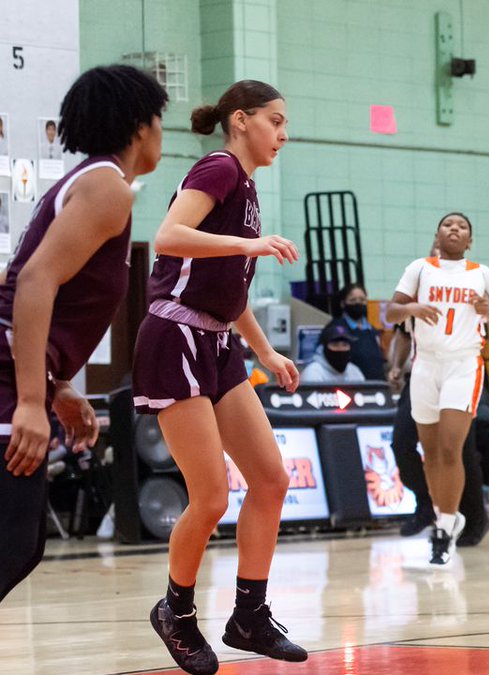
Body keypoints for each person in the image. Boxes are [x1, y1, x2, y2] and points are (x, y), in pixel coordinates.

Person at [134, 80, 307, 674]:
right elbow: (169, 236)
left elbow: (228, 292)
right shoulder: (218, 167)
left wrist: (264, 353)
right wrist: (250, 243)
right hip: (174, 335)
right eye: (276, 121)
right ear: (241, 120)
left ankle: (248, 615)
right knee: (210, 496)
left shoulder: (247, 187)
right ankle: (175, 612)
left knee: (271, 478)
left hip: (218, 340)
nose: (284, 134)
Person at [0, 64, 167, 604]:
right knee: (11, 542)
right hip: (5, 374)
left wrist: (58, 386)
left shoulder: (94, 184)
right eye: (160, 119)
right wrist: (29, 399)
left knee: (19, 546)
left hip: (18, 369)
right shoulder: (106, 188)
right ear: (141, 127)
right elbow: (32, 281)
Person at [386, 212, 489, 566]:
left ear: (469, 240)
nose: (455, 229)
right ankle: (446, 517)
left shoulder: (481, 273)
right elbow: (390, 313)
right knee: (431, 452)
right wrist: (411, 307)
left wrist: (488, 310)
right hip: (425, 365)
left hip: (463, 365)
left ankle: (444, 529)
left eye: (463, 226)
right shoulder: (419, 268)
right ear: (437, 235)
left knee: (452, 448)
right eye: (449, 224)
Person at [330, 283, 387, 381]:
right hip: (351, 385)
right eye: (353, 300)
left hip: (377, 386)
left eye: (362, 300)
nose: (358, 303)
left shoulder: (373, 330)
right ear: (343, 303)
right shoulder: (335, 328)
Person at [300, 323, 365, 383]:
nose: (341, 349)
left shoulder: (354, 371)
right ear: (324, 347)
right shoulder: (313, 373)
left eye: (345, 345)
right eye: (335, 345)